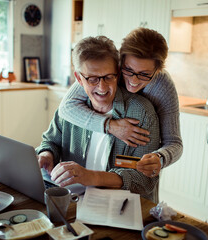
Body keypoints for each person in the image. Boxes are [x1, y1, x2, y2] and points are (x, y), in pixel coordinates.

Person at [36, 36, 161, 201]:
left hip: (121, 205)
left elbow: (144, 179)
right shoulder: (70, 109)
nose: (102, 87)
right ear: (79, 78)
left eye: (109, 77)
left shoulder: (141, 113)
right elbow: (50, 142)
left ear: (118, 72)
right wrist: (46, 154)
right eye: (93, 79)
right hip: (73, 199)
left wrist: (91, 177)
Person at [58, 27, 182, 178]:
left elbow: (174, 142)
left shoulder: (163, 87)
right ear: (120, 62)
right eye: (128, 70)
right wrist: (110, 126)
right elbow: (66, 107)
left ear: (157, 70)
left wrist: (160, 158)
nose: (133, 80)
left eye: (144, 75)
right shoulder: (104, 71)